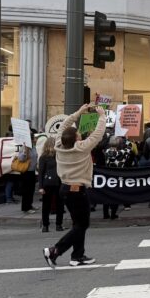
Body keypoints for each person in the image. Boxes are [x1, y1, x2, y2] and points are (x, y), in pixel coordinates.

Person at [42, 104, 106, 268]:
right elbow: (98, 134)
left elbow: (64, 126)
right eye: (78, 134)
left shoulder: (58, 145)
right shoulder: (82, 148)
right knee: (83, 224)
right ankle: (55, 250)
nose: (80, 135)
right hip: (77, 190)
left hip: (65, 188)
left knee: (78, 224)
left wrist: (78, 112)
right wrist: (102, 115)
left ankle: (77, 256)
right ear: (76, 139)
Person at [38, 137, 64, 232]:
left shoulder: (59, 155)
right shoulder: (44, 157)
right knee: (47, 205)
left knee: (59, 204)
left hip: (58, 182)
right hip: (49, 183)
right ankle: (46, 225)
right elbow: (41, 172)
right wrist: (40, 187)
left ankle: (58, 225)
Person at [15, 136, 38, 214]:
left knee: (31, 190)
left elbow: (35, 157)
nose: (35, 139)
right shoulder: (24, 147)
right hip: (26, 172)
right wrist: (25, 152)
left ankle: (30, 205)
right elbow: (21, 159)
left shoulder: (33, 147)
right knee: (26, 190)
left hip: (32, 171)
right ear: (30, 140)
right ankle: (25, 208)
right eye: (34, 138)